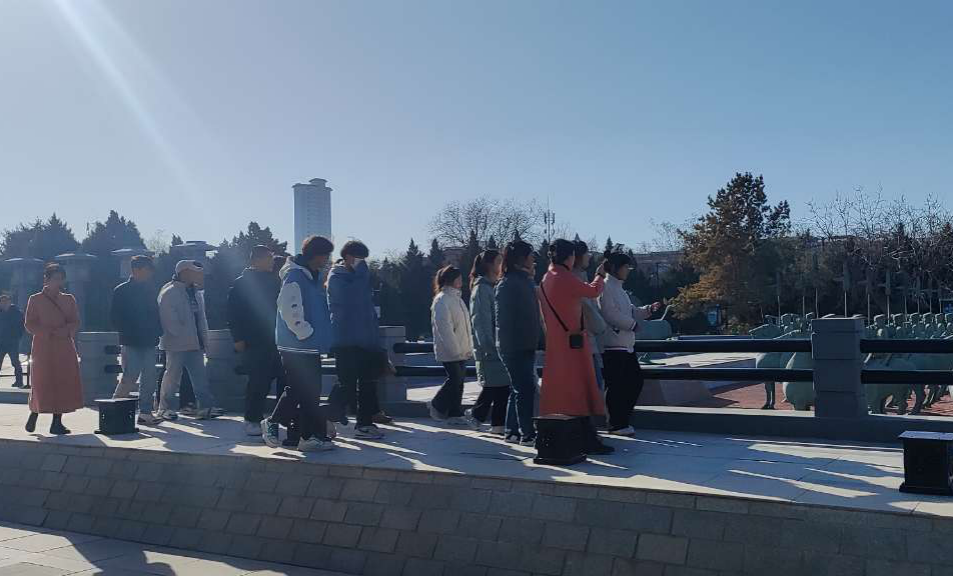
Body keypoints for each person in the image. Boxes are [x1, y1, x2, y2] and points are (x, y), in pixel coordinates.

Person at [261, 235, 336, 453]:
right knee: (302, 390)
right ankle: (275, 423)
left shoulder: (311, 276)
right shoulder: (295, 276)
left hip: (308, 345)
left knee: (308, 392)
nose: (327, 260)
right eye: (325, 255)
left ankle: (307, 436)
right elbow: (288, 308)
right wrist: (304, 332)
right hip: (296, 345)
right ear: (316, 255)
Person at [539, 239, 613, 455]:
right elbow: (593, 291)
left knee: (565, 392)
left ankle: (577, 437)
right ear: (570, 257)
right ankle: (587, 438)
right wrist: (600, 275)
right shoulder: (564, 277)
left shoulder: (546, 278)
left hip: (557, 343)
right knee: (581, 389)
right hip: (573, 344)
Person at [327, 240, 388, 440]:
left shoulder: (360, 278)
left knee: (368, 383)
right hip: (346, 340)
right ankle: (326, 415)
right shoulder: (336, 277)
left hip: (366, 340)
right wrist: (362, 274)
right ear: (348, 257)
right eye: (359, 258)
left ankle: (364, 424)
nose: (363, 263)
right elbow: (353, 300)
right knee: (346, 384)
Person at [598, 250, 662, 437]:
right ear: (615, 268)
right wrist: (632, 325)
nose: (628, 270)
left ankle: (622, 420)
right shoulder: (605, 287)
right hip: (613, 345)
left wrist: (648, 310)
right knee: (617, 386)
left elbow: (630, 311)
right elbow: (609, 314)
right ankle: (616, 423)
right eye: (626, 267)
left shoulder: (619, 289)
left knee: (633, 382)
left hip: (625, 345)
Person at [228, 245, 283, 437]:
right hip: (254, 340)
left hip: (276, 338)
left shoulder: (275, 281)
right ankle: (252, 418)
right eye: (268, 257)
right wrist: (238, 338)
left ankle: (282, 417)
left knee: (283, 378)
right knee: (259, 381)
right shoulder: (242, 283)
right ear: (256, 259)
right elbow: (233, 313)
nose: (272, 261)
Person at [23, 264, 83, 435]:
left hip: (64, 345)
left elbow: (75, 321)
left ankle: (57, 422)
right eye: (55, 278)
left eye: (61, 279)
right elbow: (29, 323)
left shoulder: (69, 299)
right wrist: (47, 332)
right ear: (46, 280)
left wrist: (65, 331)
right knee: (42, 381)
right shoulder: (35, 299)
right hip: (43, 346)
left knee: (63, 381)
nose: (58, 282)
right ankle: (34, 412)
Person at [156, 260, 218, 420]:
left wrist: (203, 339)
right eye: (195, 272)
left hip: (195, 342)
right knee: (172, 377)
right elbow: (168, 319)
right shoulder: (169, 292)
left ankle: (205, 407)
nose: (199, 275)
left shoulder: (196, 292)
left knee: (200, 377)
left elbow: (201, 318)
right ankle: (164, 408)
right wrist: (180, 333)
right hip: (176, 344)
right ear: (184, 273)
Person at [495, 240, 542, 446]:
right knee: (524, 390)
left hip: (525, 344)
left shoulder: (524, 281)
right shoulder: (508, 284)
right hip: (515, 346)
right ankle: (527, 433)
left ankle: (511, 431)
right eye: (531, 256)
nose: (533, 259)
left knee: (519, 388)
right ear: (521, 259)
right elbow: (504, 321)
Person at [110, 255, 163, 425]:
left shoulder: (151, 290)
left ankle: (145, 412)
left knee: (149, 378)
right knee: (129, 376)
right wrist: (129, 331)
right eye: (147, 270)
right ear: (136, 270)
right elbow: (115, 318)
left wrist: (158, 332)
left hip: (149, 341)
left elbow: (156, 314)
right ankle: (114, 408)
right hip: (131, 341)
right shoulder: (121, 290)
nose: (150, 273)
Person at [467, 250, 511, 435]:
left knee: (501, 386)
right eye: (499, 261)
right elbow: (481, 321)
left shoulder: (493, 286)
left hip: (497, 344)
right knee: (494, 385)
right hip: (490, 347)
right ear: (489, 265)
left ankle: (497, 424)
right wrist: (488, 345)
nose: (502, 265)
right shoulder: (482, 289)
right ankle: (478, 416)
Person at [429, 265, 477, 428]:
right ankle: (437, 404)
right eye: (459, 278)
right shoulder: (442, 300)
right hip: (450, 350)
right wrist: (455, 350)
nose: (461, 281)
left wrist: (467, 347)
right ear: (451, 279)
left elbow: (464, 326)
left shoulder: (457, 299)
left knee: (460, 380)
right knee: (455, 379)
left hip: (461, 349)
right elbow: (445, 328)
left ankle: (455, 413)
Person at [572, 241, 608, 392]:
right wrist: (600, 275)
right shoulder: (575, 280)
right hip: (585, 344)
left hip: (581, 344)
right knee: (595, 389)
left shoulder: (576, 278)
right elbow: (590, 311)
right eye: (587, 253)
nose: (589, 256)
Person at [0, 293, 26, 389]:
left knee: (15, 362)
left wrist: (17, 337)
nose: (3, 303)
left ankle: (19, 381)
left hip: (12, 342)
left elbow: (22, 326)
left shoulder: (16, 312)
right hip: (1, 342)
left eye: (5, 301)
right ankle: (18, 381)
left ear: (9, 302)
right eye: (1, 302)